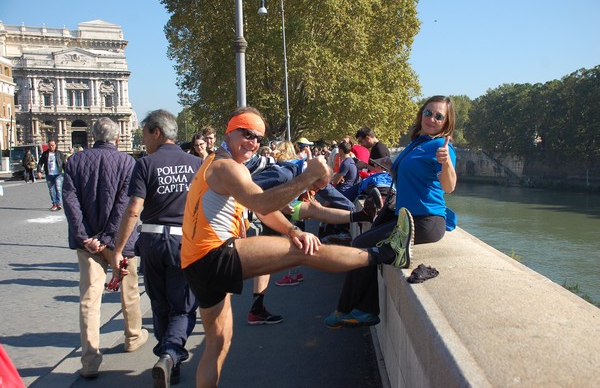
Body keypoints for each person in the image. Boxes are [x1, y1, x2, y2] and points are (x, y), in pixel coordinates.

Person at [180, 106, 411, 387]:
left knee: (219, 342)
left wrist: (291, 229)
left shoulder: (224, 164)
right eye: (247, 134)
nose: (253, 142)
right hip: (214, 254)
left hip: (195, 263)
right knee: (306, 252)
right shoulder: (225, 167)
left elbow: (262, 210)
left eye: (258, 138)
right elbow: (264, 203)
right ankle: (385, 253)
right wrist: (308, 176)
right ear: (230, 131)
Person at [325, 95, 458, 329]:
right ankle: (360, 309)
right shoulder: (418, 142)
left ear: (446, 122)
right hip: (405, 215)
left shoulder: (441, 147)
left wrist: (446, 164)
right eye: (428, 113)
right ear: (421, 115)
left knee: (362, 247)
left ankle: (353, 310)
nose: (432, 119)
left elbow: (449, 187)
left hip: (426, 221)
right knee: (362, 242)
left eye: (439, 116)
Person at [111, 109, 201, 388]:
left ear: (157, 132)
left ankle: (167, 356)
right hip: (183, 242)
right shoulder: (196, 164)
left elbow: (134, 209)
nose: (144, 139)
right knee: (183, 307)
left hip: (151, 241)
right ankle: (171, 354)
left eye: (145, 133)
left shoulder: (146, 164)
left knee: (160, 304)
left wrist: (118, 250)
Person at [62, 117, 148, 379]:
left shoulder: (75, 161)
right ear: (118, 138)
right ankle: (133, 336)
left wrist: (85, 235)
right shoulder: (127, 163)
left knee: (89, 298)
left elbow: (70, 200)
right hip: (120, 240)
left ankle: (89, 360)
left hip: (87, 243)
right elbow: (126, 204)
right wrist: (109, 236)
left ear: (92, 137)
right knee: (129, 290)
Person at [37, 139, 65, 211]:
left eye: (52, 145)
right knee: (51, 190)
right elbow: (40, 163)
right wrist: (39, 171)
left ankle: (58, 203)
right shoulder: (45, 154)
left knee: (58, 189)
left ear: (55, 145)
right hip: (49, 174)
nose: (51, 147)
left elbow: (64, 164)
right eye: (49, 145)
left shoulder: (59, 153)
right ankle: (54, 204)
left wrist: (67, 173)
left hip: (58, 174)